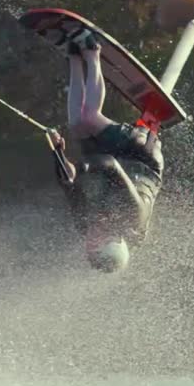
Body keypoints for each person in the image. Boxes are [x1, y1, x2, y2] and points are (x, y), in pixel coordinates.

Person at [47, 28, 165, 273]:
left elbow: (67, 184)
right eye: (95, 244)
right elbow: (110, 164)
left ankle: (74, 58)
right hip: (141, 155)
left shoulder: (85, 222)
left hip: (112, 158)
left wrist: (58, 152)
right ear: (115, 239)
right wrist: (79, 168)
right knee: (90, 118)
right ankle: (92, 51)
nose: (88, 240)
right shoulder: (133, 217)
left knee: (77, 126)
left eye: (88, 247)